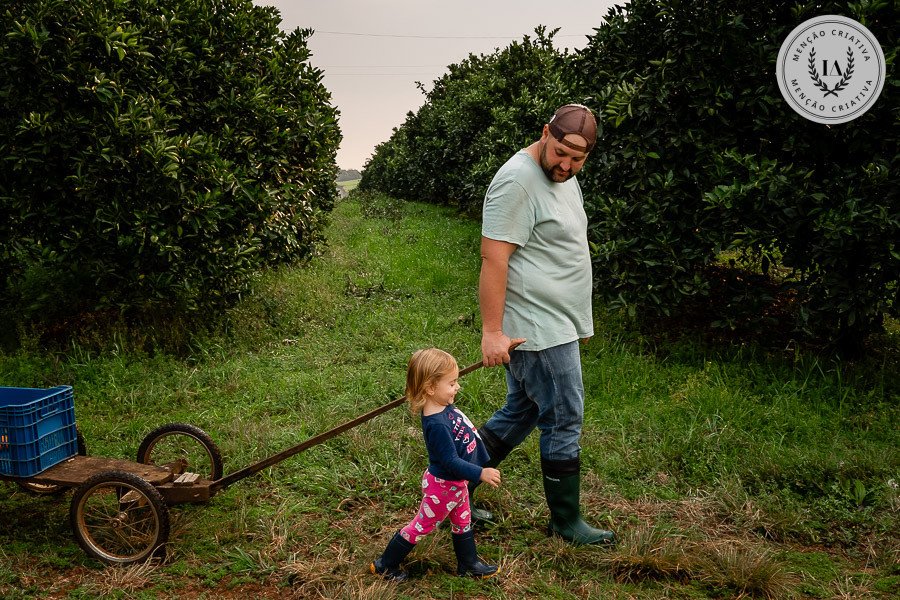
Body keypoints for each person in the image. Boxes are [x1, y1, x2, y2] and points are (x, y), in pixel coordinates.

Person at [471, 104, 616, 546]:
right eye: (560, 153)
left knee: (524, 410)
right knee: (564, 416)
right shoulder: (517, 181)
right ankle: (566, 522)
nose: (566, 165)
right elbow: (494, 259)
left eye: (578, 159)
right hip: (537, 326)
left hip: (558, 323)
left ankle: (450, 493)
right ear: (544, 133)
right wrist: (492, 332)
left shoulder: (563, 177)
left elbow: (562, 249)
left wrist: (577, 320)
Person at [370, 348, 502, 582]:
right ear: (431, 388)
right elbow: (450, 462)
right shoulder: (437, 424)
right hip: (443, 488)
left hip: (455, 485)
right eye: (451, 383)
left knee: (462, 521)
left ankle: (468, 564)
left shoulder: (442, 406)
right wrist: (480, 472)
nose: (457, 387)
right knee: (421, 526)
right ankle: (385, 564)